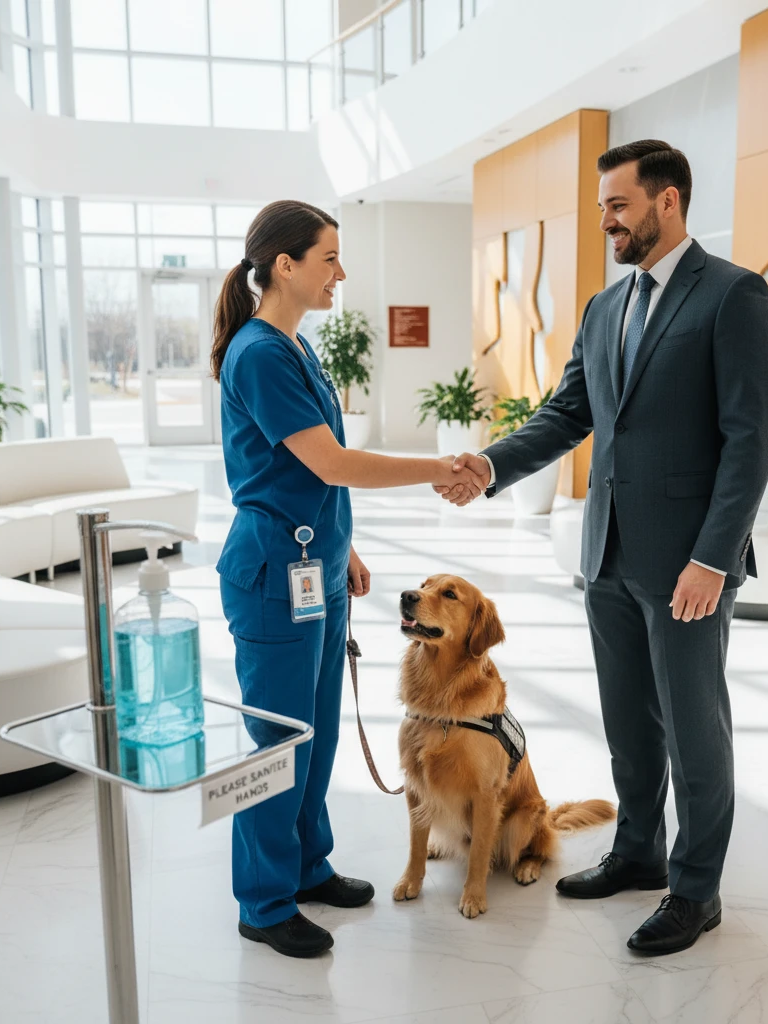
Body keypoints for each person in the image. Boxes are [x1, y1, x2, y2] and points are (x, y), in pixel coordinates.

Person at [440, 141, 768, 956]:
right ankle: (637, 853)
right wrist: (489, 465)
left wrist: (712, 556)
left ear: (668, 203)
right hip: (608, 556)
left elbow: (749, 440)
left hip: (688, 565)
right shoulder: (602, 307)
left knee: (697, 732)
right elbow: (568, 415)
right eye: (601, 209)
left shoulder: (733, 296)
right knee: (630, 723)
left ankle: (697, 892)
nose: (606, 223)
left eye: (618, 206)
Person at [212, 200, 488, 959]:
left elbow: (312, 473)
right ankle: (264, 902)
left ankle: (306, 866)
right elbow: (333, 462)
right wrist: (440, 467)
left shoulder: (295, 347)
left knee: (319, 731)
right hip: (274, 573)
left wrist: (345, 550)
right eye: (329, 257)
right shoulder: (261, 353)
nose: (341, 272)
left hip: (316, 565)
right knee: (279, 740)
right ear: (285, 266)